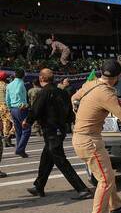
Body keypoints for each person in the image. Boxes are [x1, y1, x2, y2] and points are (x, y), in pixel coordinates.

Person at [72, 59, 121, 213]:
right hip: (89, 141)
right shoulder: (107, 93)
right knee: (106, 180)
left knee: (107, 175)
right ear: (117, 77)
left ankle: (116, 208)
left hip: (84, 138)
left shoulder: (91, 84)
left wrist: (81, 113)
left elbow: (74, 98)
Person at [23, 69, 92, 199]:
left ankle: (82, 189)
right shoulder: (62, 92)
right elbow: (70, 112)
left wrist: (27, 121)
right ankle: (39, 186)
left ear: (41, 78)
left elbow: (36, 109)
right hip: (61, 129)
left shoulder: (45, 92)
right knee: (47, 158)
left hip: (51, 130)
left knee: (60, 160)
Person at [6, 69, 31, 158]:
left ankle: (21, 150)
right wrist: (25, 105)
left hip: (13, 109)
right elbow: (22, 98)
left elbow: (7, 99)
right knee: (27, 129)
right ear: (23, 76)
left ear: (15, 75)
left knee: (18, 131)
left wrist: (10, 108)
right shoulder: (21, 84)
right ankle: (20, 149)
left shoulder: (9, 85)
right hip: (21, 108)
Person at [0, 71, 14, 147]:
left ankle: (7, 141)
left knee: (6, 123)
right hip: (5, 106)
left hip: (0, 107)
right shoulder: (6, 86)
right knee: (15, 122)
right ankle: (8, 136)